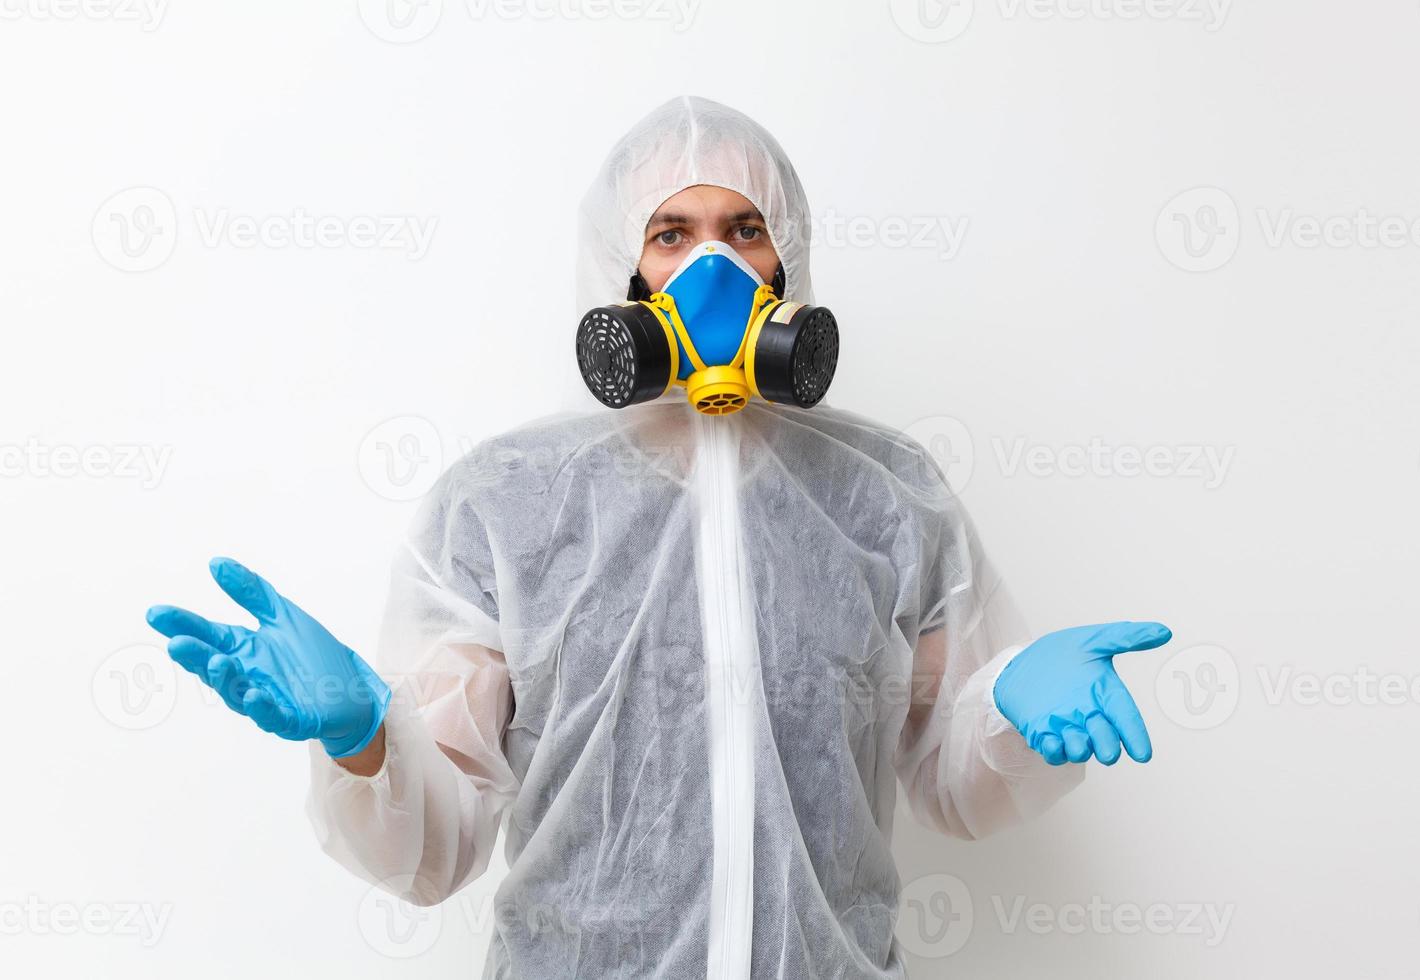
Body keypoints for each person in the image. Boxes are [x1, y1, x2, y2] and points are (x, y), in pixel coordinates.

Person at [145, 95, 1171, 979]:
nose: (713, 265)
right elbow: (438, 846)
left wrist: (1013, 710)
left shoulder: (888, 490)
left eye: (746, 228)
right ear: (621, 266)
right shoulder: (504, 502)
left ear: (789, 258)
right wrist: (364, 738)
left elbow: (955, 778)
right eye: (671, 232)